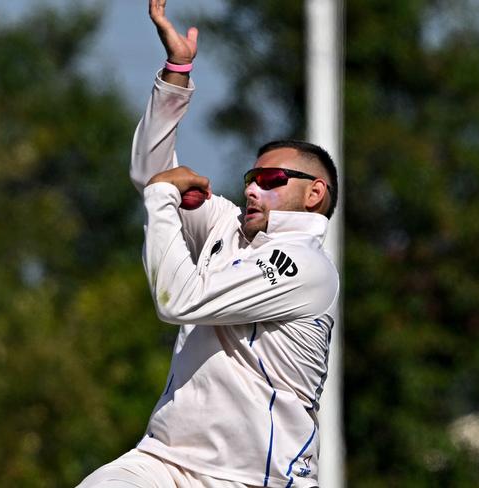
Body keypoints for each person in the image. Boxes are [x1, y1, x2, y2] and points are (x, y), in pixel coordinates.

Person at [77, 1, 339, 487]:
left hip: (250, 477)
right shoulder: (228, 226)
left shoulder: (305, 267)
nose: (253, 189)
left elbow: (179, 300)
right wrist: (176, 74)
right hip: (164, 459)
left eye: (273, 178)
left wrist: (162, 198)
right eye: (251, 177)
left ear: (315, 193)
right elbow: (151, 173)